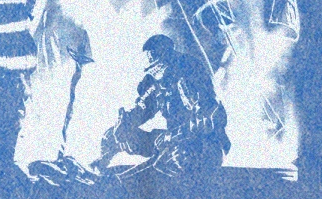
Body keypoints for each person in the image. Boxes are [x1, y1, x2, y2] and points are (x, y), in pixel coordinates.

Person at [98, 34, 229, 177]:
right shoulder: (158, 83)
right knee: (111, 136)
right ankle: (100, 173)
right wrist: (125, 124)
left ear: (168, 59)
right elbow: (143, 108)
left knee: (177, 156)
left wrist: (171, 136)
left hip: (202, 144)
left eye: (157, 66)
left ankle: (181, 185)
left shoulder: (189, 74)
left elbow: (207, 120)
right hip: (169, 141)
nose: (154, 73)